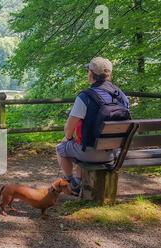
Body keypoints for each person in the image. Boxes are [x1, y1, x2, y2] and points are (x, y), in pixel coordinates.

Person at [56, 57, 131, 195]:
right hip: (113, 154)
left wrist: (68, 138)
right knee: (79, 146)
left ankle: (71, 181)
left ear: (91, 74)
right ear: (109, 74)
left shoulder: (85, 97)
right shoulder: (122, 96)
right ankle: (79, 181)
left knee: (62, 148)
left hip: (89, 153)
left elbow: (68, 128)